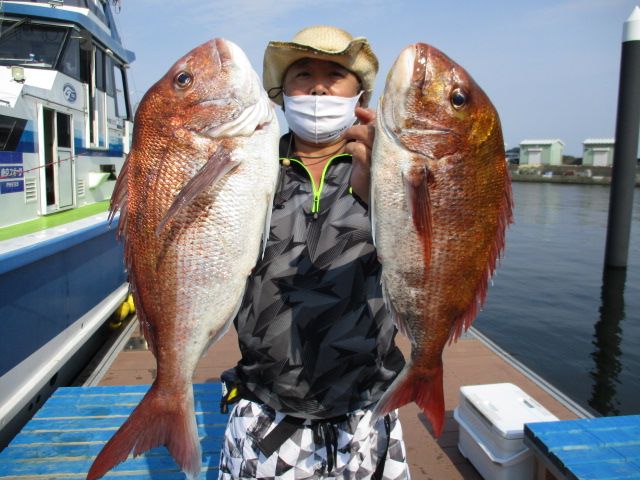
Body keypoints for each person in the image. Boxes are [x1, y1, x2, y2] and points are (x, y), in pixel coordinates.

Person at [218, 25, 410, 480]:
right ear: (281, 94)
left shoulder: (394, 168)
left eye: (335, 75)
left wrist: (382, 197)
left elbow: (430, 258)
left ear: (360, 94)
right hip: (266, 407)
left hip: (367, 408)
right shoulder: (246, 166)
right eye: (303, 74)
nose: (319, 87)